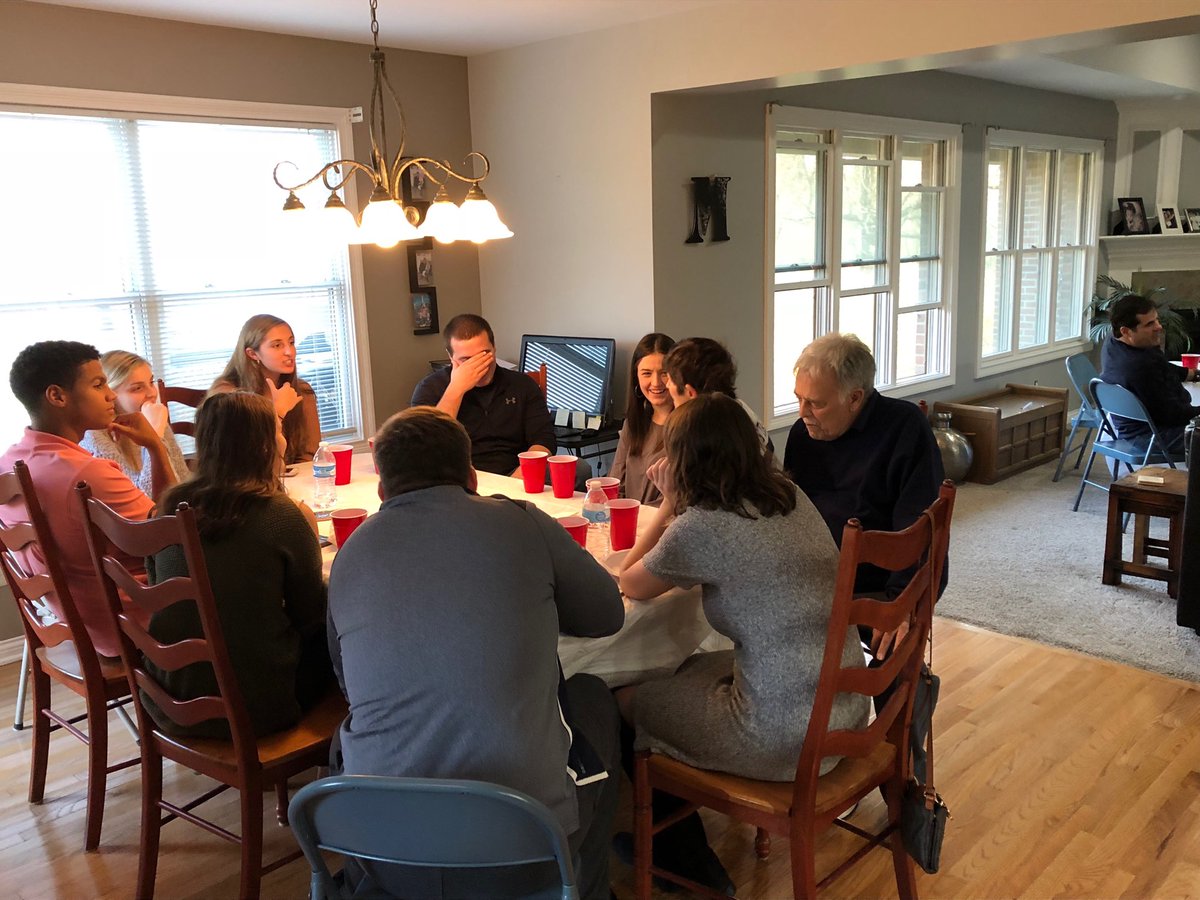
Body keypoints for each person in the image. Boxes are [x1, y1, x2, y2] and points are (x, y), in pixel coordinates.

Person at [326, 406, 624, 899]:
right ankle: (584, 885)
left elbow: (347, 682)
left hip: (377, 845)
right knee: (591, 695)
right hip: (522, 842)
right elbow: (606, 617)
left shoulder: (349, 555)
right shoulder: (521, 522)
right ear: (471, 476)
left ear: (381, 487)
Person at [615, 393, 868, 893]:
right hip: (843, 709)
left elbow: (629, 581)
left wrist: (668, 502)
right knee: (682, 670)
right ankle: (684, 830)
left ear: (683, 460)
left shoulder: (702, 526)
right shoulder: (792, 498)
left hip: (782, 738)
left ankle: (677, 856)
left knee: (622, 696)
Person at [144, 390, 330, 739]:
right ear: (263, 446)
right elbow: (311, 615)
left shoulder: (168, 507)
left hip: (168, 696)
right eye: (277, 428)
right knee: (340, 643)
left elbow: (158, 587)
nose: (283, 438)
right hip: (254, 708)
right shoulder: (281, 515)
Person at [1, 341, 175, 657]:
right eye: (98, 384)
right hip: (135, 628)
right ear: (57, 396)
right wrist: (156, 446)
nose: (110, 395)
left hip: (77, 626)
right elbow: (173, 536)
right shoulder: (86, 473)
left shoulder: (9, 463)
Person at [784, 333, 945, 651]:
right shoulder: (802, 435)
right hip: (816, 581)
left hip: (881, 585)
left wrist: (901, 605)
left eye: (816, 403)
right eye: (799, 398)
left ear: (855, 398)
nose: (803, 412)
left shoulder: (905, 428)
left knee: (890, 645)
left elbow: (920, 529)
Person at [411, 314, 588, 484]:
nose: (480, 366)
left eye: (485, 355)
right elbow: (427, 446)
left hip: (517, 472)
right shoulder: (430, 389)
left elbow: (543, 440)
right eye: (466, 360)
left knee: (578, 468)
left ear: (495, 348)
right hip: (459, 477)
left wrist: (517, 480)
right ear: (451, 358)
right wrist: (456, 390)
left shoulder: (521, 385)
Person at [210, 314, 320, 464]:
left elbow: (309, 455)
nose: (290, 352)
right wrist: (278, 413)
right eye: (277, 345)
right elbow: (243, 460)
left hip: (292, 481)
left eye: (291, 342)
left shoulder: (301, 390)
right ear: (253, 354)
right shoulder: (227, 395)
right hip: (244, 483)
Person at [80, 350, 189, 496]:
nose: (152, 393)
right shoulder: (94, 436)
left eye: (151, 382)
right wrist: (155, 437)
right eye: (137, 388)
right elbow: (148, 501)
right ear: (111, 394)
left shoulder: (150, 416)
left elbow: (181, 479)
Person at [1099, 293, 1200, 446]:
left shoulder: (1115, 342)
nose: (1158, 327)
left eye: (1156, 320)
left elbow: (1161, 365)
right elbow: (1174, 415)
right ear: (1126, 331)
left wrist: (1190, 373)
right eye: (1149, 324)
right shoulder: (1140, 367)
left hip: (1142, 425)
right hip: (1153, 435)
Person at [662, 336, 771, 454]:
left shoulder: (702, 439)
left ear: (690, 393)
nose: (666, 385)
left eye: (670, 380)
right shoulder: (742, 415)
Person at [610, 332, 675, 505]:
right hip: (628, 520)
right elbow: (615, 483)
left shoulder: (687, 428)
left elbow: (677, 501)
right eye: (646, 373)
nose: (656, 382)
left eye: (664, 373)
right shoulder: (632, 424)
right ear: (636, 377)